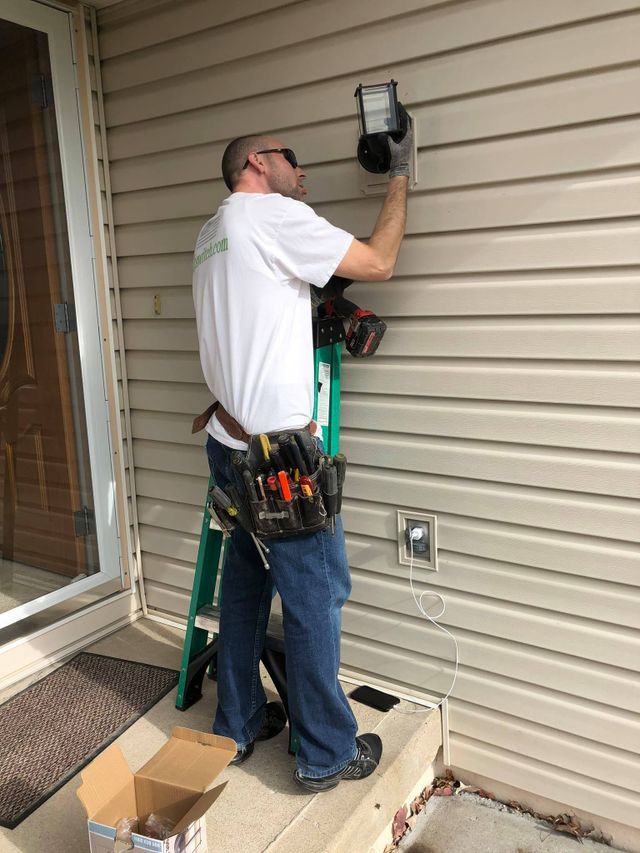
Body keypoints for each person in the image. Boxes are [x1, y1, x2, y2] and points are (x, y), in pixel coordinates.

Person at [192, 123, 412, 792]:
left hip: (227, 443)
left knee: (246, 587)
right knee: (317, 595)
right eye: (293, 160)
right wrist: (400, 173)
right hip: (279, 457)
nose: (303, 173)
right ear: (256, 163)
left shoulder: (212, 234)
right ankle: (324, 751)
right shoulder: (274, 216)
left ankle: (237, 722)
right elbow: (378, 261)